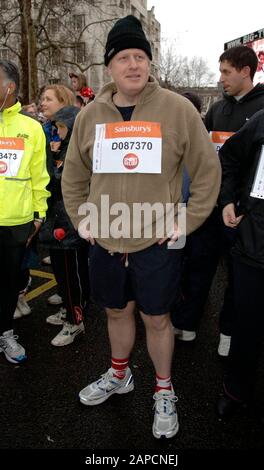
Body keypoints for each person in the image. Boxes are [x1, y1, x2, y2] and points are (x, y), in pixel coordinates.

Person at [62, 15, 221, 439]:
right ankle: (119, 374)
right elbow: (73, 175)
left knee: (157, 318)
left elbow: (206, 171)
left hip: (155, 239)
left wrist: (187, 220)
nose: (134, 65)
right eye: (124, 58)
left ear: (149, 63)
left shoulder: (177, 108)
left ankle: (164, 389)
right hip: (107, 237)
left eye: (141, 57)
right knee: (116, 311)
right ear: (109, 66)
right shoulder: (90, 114)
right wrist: (81, 218)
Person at [172, 45, 264, 354]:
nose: (220, 78)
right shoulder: (218, 110)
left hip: (246, 213)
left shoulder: (263, 108)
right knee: (198, 264)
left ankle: (228, 329)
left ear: (245, 71)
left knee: (238, 277)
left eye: (226, 72)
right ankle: (187, 323)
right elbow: (203, 154)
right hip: (210, 205)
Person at [0, 60, 50, 363]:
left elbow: (39, 176)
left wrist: (38, 214)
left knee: (8, 283)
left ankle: (5, 332)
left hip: (16, 222)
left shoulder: (32, 128)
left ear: (10, 87)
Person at [216, 108, 264, 419]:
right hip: (254, 245)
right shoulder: (262, 120)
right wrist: (229, 200)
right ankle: (236, 390)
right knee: (248, 325)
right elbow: (229, 159)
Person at [40, 87, 90, 347]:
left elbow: (69, 179)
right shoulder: (57, 139)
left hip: (70, 221)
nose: (41, 103)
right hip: (57, 219)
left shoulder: (76, 140)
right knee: (61, 270)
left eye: (48, 98)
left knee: (72, 274)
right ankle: (69, 310)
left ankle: (75, 320)